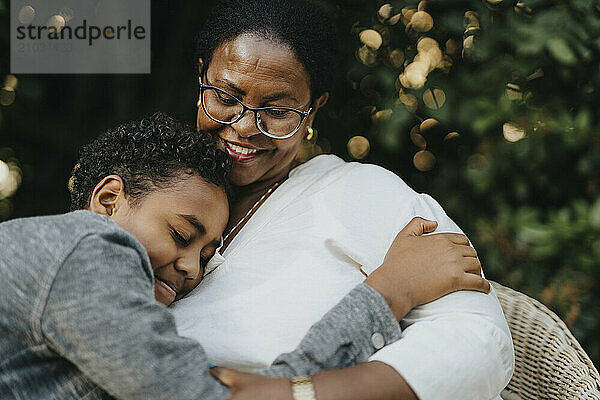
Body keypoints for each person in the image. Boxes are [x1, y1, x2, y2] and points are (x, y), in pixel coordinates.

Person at [0, 113, 490, 400]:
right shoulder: (87, 253)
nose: (192, 267)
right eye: (180, 233)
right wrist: (389, 291)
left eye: (208, 252)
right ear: (109, 200)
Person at [170, 0, 515, 399]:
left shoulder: (361, 193)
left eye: (278, 110)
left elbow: (480, 341)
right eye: (226, 98)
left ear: (313, 111)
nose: (245, 127)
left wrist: (301, 394)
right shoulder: (152, 191)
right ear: (201, 80)